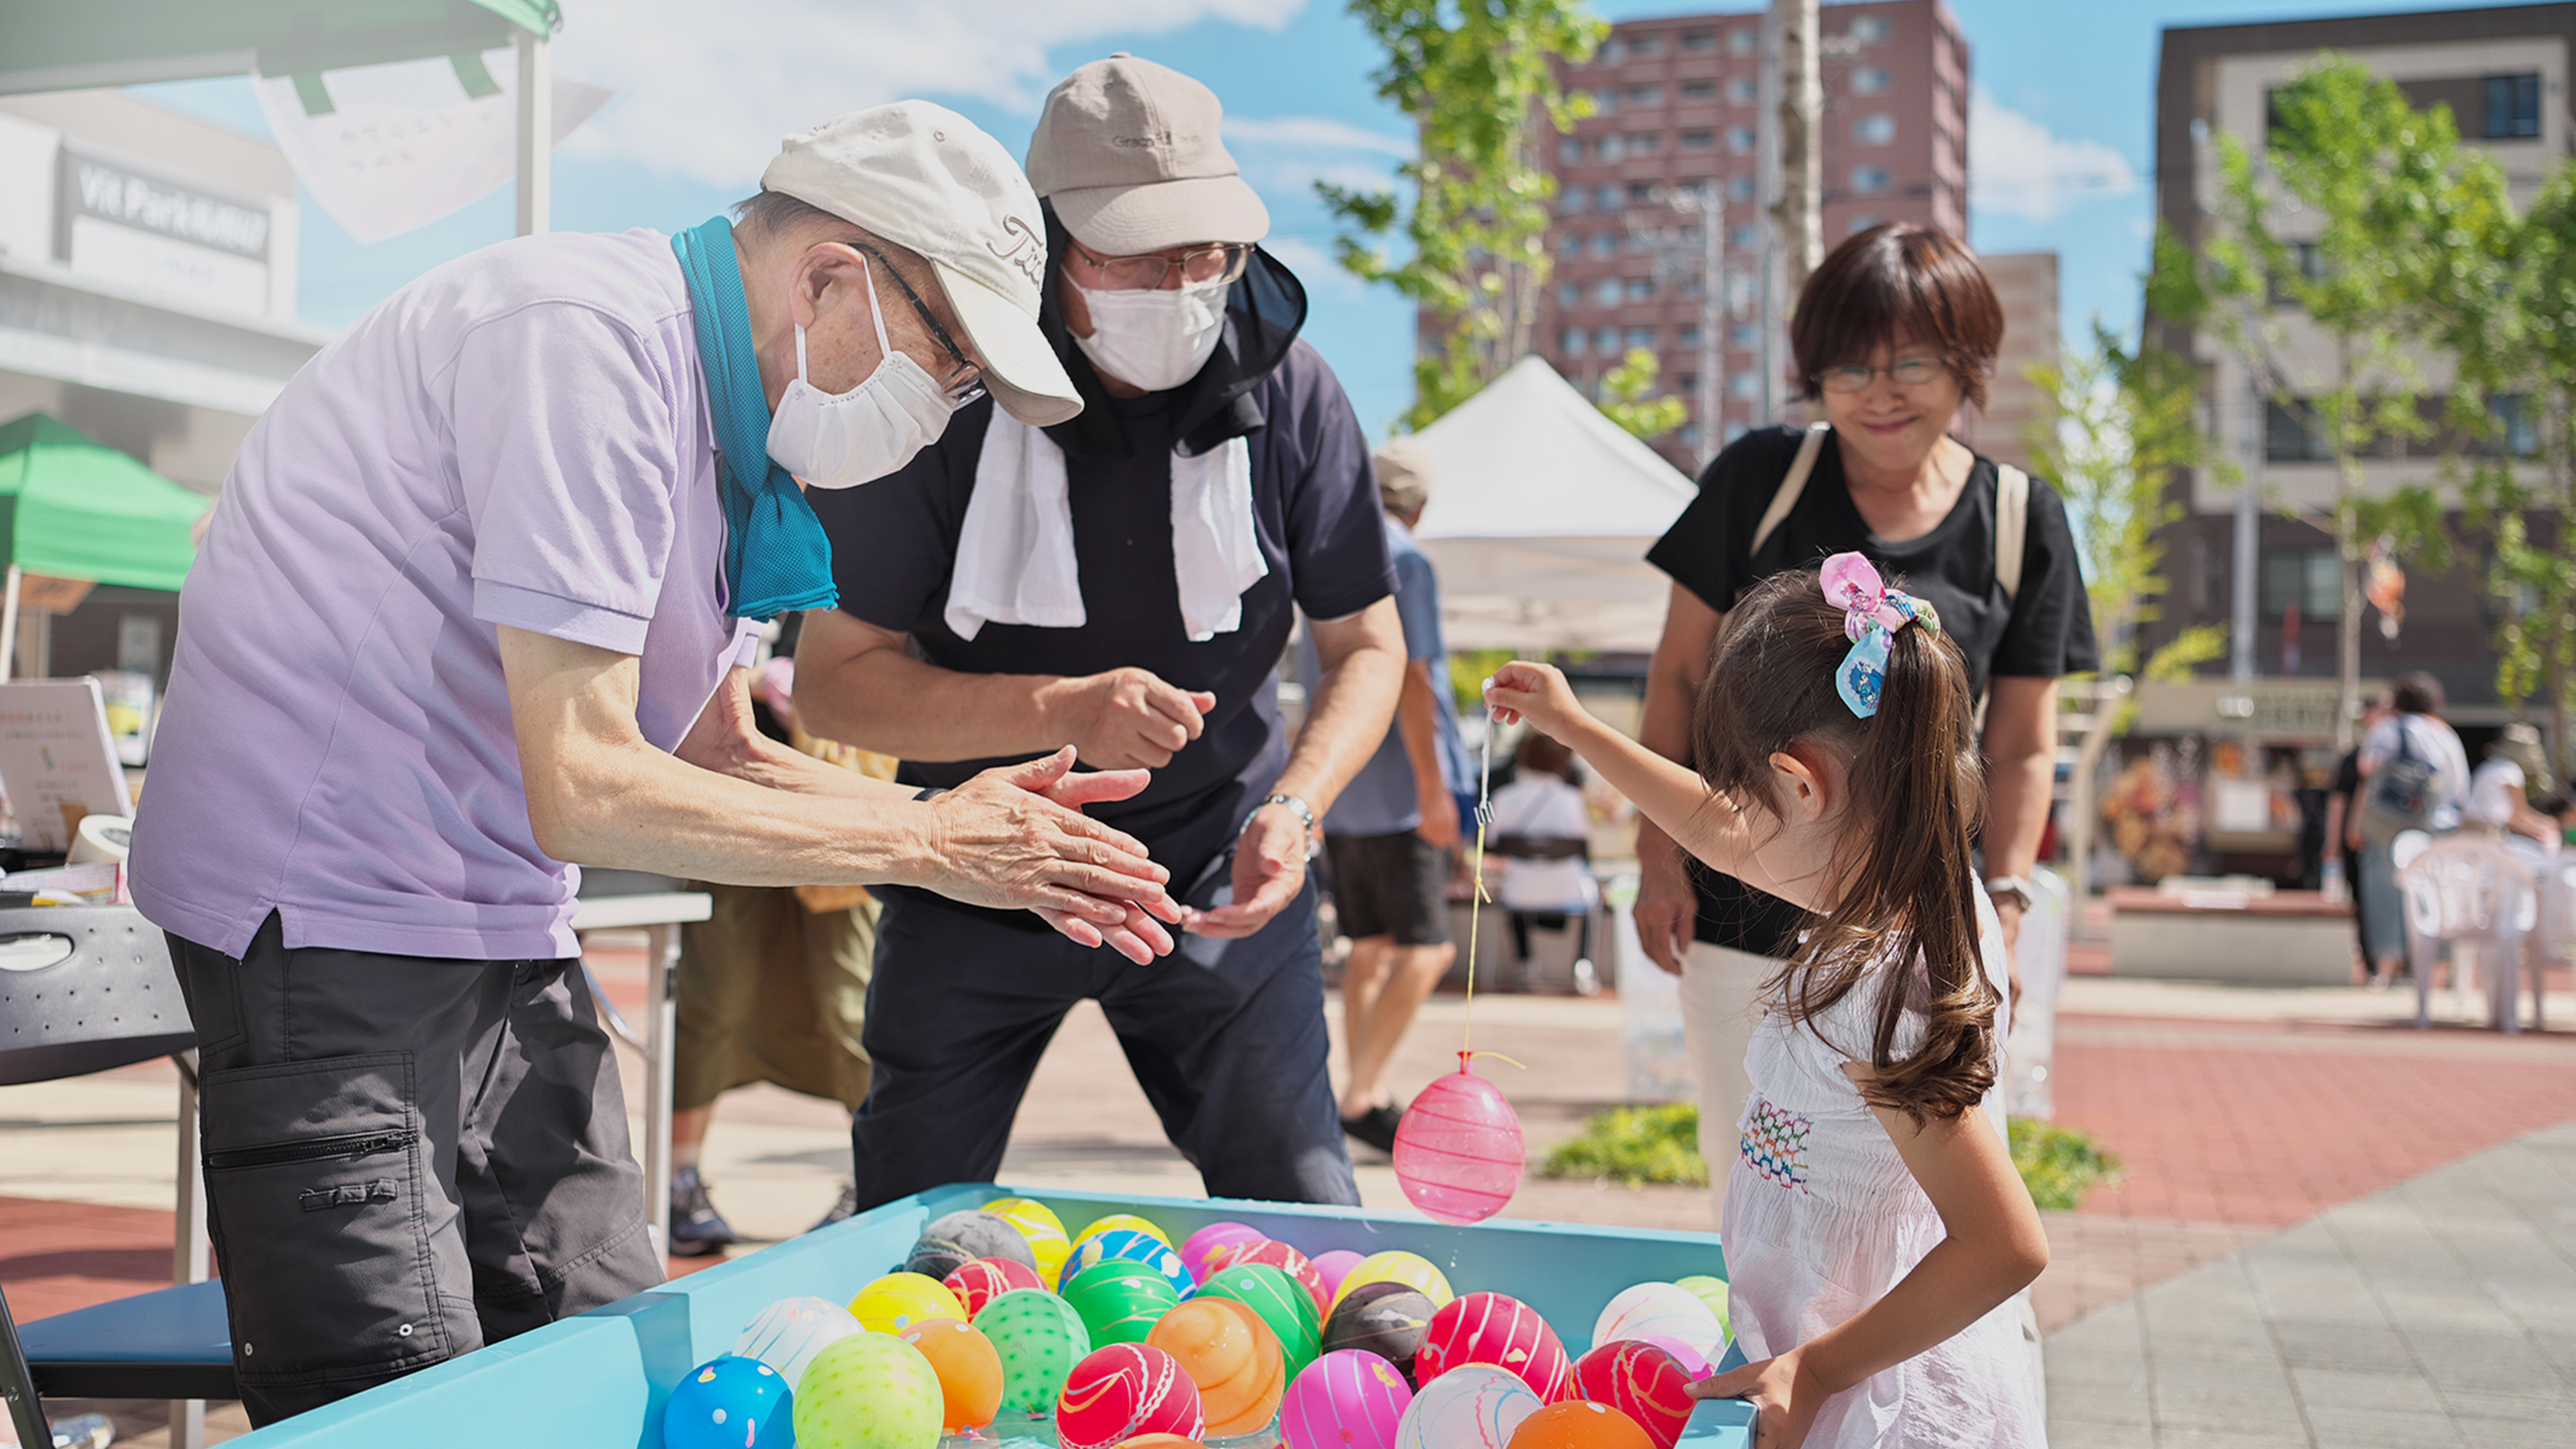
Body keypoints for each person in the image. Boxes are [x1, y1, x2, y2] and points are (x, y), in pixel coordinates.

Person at [126, 104, 1182, 1423]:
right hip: (330, 915)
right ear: (832, 274)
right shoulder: (587, 340)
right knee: (408, 1403)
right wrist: (927, 844)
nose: (950, 410)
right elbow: (587, 780)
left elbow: (716, 747)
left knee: (615, 1347)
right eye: (952, 361)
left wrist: (955, 824)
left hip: (492, 916)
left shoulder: (727, 431)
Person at [794, 55, 1404, 1211]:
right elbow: (834, 686)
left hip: (1221, 863)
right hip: (979, 860)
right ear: (1047, 244)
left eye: (1207, 250)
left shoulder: (1297, 391)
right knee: (908, 1214)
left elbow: (1366, 645)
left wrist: (1299, 805)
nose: (1182, 282)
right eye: (1138, 251)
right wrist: (1059, 708)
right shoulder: (945, 393)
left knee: (1303, 1205)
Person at [1485, 555, 2047, 1448]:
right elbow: (1718, 831)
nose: (1731, 819)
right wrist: (1576, 727)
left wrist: (1820, 1367)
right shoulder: (1915, 879)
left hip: (1879, 1399)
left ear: (1800, 784)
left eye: (1747, 788)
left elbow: (2006, 1243)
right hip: (1844, 1368)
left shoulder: (1880, 992)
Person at [1631, 223, 2097, 1207]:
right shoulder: (1761, 478)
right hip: (1741, 919)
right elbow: (1676, 680)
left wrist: (2004, 902)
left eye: (1913, 363)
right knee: (1752, 1193)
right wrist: (1656, 858)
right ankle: (1776, 1366)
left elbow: (2020, 745)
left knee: (1923, 1207)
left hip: (1920, 940)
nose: (1880, 393)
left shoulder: (2023, 520)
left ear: (1968, 365)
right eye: (1848, 367)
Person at [666, 637, 896, 1255]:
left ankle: (872, 1185)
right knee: (714, 993)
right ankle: (679, 1181)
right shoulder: (727, 538)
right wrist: (762, 674)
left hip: (842, 788)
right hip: (725, 789)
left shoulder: (862, 543)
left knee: (854, 1003)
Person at [1316, 438, 1470, 1151]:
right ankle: (1361, 1093)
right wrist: (1437, 790)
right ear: (1420, 504)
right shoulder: (1406, 558)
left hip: (1343, 787)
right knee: (1427, 950)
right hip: (1403, 791)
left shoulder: (1325, 552)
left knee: (1369, 947)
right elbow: (1413, 678)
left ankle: (1357, 1087)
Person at [2355, 671, 2472, 987]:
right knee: (2435, 894)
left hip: (2386, 826)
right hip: (2437, 828)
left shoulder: (2387, 730)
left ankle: (2388, 966)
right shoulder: (2446, 735)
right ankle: (2438, 967)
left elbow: (2366, 770)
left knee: (2385, 892)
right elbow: (2461, 790)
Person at [1488, 732, 1599, 986]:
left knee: (1513, 885)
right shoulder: (1571, 799)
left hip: (1519, 892)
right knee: (1594, 896)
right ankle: (1583, 964)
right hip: (1569, 890)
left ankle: (1525, 963)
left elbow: (1493, 842)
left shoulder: (1504, 797)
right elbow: (1583, 842)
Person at [2322, 698, 2394, 976]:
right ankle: (2373, 963)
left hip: (2387, 838)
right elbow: (2338, 800)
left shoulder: (2402, 751)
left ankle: (2399, 964)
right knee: (2363, 900)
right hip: (2359, 839)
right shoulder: (2354, 758)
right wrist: (2333, 841)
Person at [2462, 723, 2559, 846]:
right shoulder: (2511, 771)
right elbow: (2519, 812)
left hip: (2469, 827)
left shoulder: (2491, 764)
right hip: (2488, 832)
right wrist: (2543, 824)